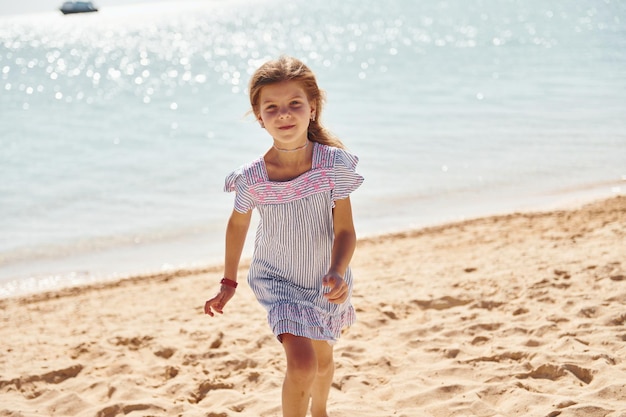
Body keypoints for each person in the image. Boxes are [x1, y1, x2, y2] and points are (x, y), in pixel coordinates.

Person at [204, 55, 364, 417]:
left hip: (326, 281)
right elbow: (238, 225)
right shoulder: (252, 177)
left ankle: (319, 411)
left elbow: (345, 230)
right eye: (272, 108)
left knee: (323, 362)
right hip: (278, 281)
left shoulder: (333, 165)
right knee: (303, 364)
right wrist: (228, 281)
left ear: (312, 108)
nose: (284, 114)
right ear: (259, 117)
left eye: (294, 104)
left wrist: (338, 269)